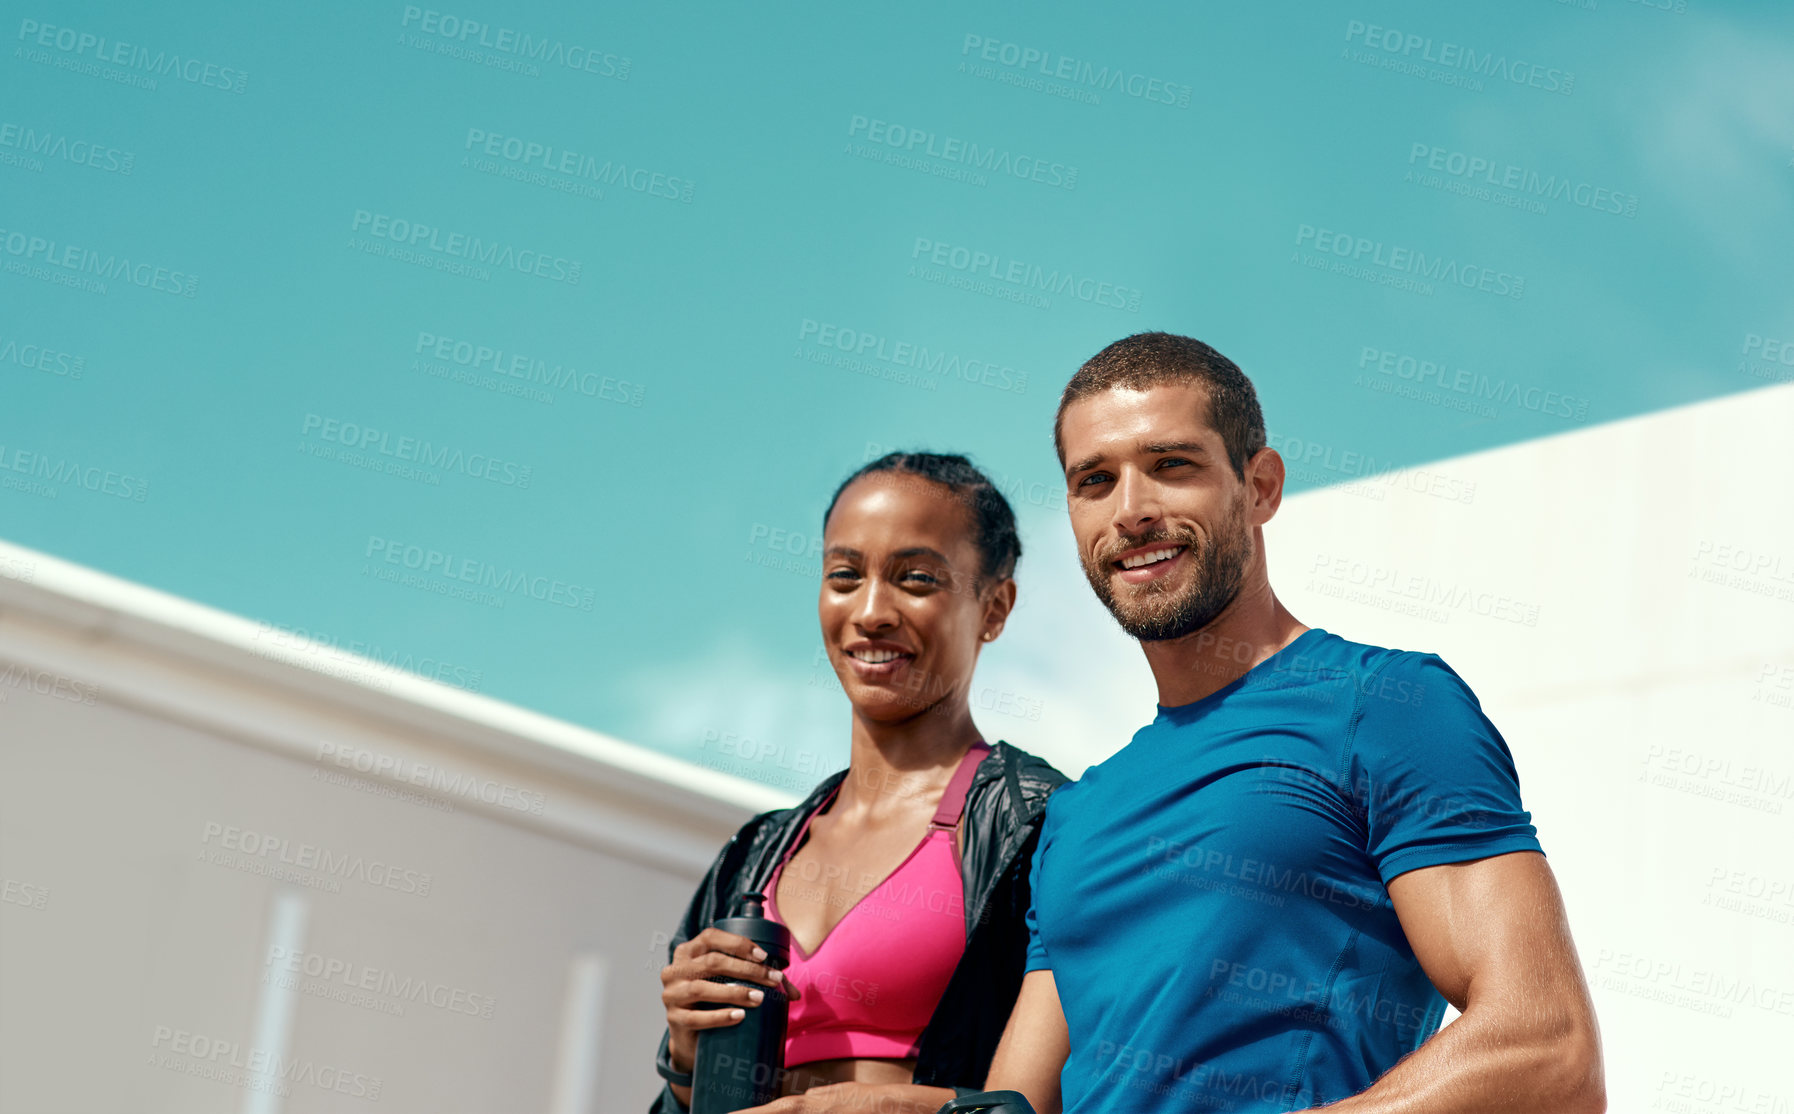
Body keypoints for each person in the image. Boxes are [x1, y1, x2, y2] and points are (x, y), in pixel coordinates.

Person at [986, 333, 1605, 1113]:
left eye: (1172, 465)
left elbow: (1546, 1049)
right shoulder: (1077, 816)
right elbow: (1014, 1104)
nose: (1132, 510)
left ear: (1261, 487)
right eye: (1095, 481)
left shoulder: (1388, 704)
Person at [652, 452, 1068, 1113]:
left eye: (916, 579)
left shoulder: (1043, 826)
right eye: (845, 575)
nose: (871, 611)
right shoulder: (755, 852)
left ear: (995, 607)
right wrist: (682, 1057)